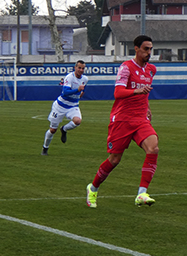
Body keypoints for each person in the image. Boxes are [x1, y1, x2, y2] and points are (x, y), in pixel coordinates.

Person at [86, 35, 159, 208]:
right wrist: (137, 92)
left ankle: (142, 193)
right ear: (136, 48)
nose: (149, 52)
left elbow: (145, 93)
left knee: (153, 148)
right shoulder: (126, 68)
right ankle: (93, 188)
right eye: (145, 49)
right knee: (114, 159)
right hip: (122, 119)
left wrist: (147, 107)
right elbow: (118, 93)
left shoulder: (151, 70)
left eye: (150, 49)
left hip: (140, 119)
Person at [42, 60, 88, 155]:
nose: (81, 70)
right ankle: (45, 148)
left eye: (83, 68)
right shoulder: (69, 77)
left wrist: (81, 93)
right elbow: (65, 92)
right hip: (60, 106)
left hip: (73, 105)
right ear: (75, 68)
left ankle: (64, 129)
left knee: (77, 121)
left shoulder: (85, 79)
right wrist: (77, 90)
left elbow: (82, 89)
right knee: (53, 130)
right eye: (79, 68)